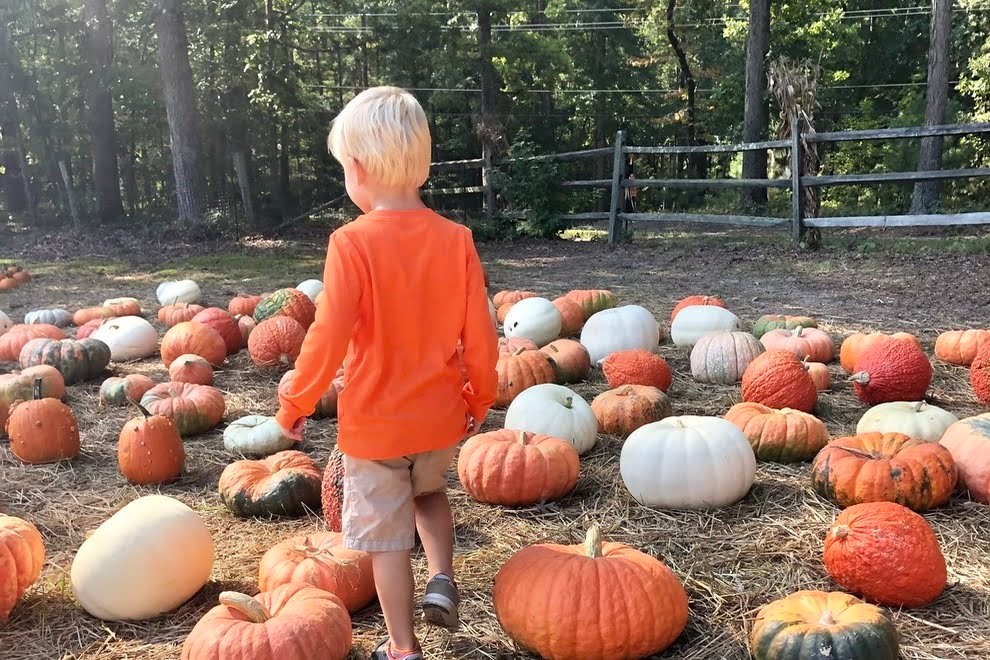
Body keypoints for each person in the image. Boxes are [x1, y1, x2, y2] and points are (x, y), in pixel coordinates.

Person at [275, 86, 499, 660]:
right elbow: (480, 334)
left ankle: (403, 648)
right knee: (429, 493)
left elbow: (327, 336)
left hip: (376, 428)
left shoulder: (351, 243)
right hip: (439, 417)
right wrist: (481, 395)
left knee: (386, 543)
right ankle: (444, 578)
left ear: (357, 168)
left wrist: (295, 400)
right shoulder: (457, 240)